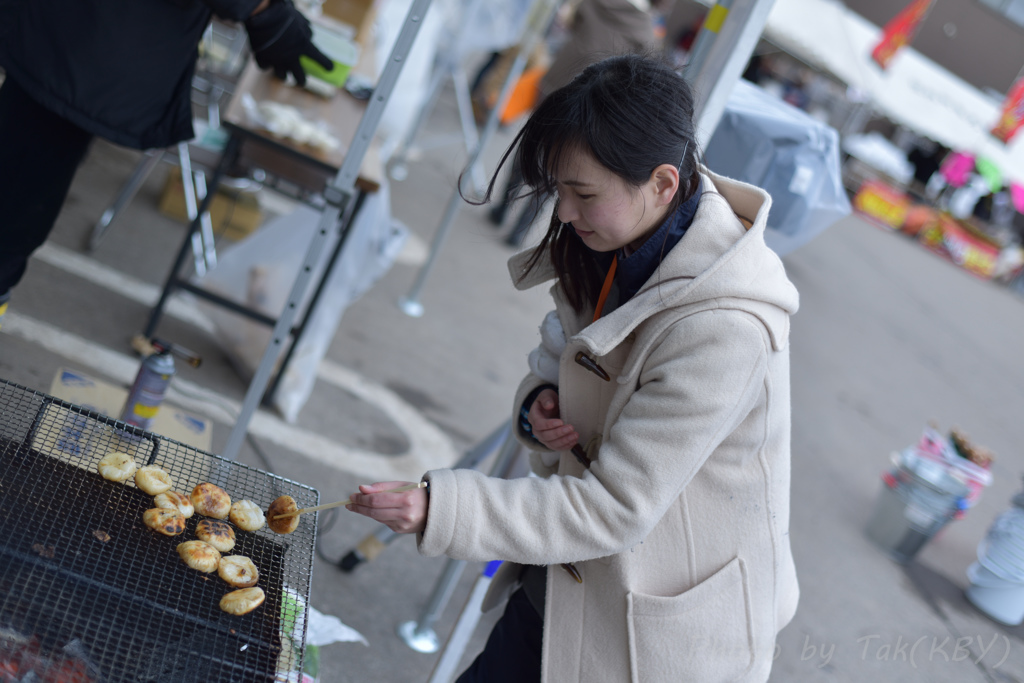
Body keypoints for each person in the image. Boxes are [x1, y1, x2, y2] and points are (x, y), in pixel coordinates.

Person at [347, 54, 800, 682]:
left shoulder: (725, 328)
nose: (562, 212)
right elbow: (553, 360)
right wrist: (542, 404)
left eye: (582, 193)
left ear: (664, 184)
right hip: (563, 588)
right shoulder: (620, 240)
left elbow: (616, 508)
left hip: (651, 642)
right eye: (559, 188)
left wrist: (442, 508)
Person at [0, 0, 331, 330]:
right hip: (79, 39)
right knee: (19, 200)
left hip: (80, 38)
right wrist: (264, 10)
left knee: (23, 186)